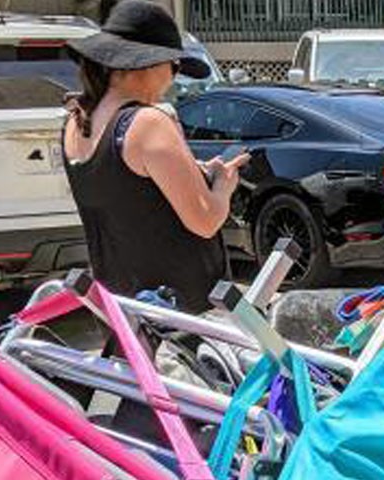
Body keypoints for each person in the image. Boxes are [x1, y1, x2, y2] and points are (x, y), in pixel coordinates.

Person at [63, 0, 248, 313]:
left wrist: (196, 173)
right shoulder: (147, 123)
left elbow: (126, 192)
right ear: (148, 64)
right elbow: (205, 220)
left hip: (121, 308)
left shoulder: (75, 121)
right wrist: (223, 187)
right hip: (178, 313)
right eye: (174, 67)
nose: (174, 79)